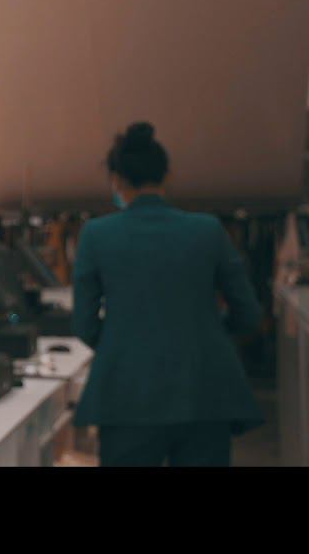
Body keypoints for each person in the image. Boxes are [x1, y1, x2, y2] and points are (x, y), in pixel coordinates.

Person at [72, 122, 263, 466]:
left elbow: (84, 324)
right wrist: (208, 333)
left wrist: (123, 346)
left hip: (127, 396)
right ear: (167, 175)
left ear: (116, 180)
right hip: (205, 389)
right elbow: (248, 314)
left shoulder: (96, 235)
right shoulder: (208, 230)